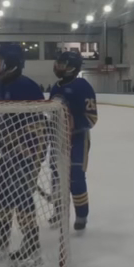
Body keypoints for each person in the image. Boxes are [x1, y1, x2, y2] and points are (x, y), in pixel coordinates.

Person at [0, 43, 46, 266]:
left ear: (12, 64)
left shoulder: (27, 87)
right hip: (10, 150)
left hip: (29, 150)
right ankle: (2, 235)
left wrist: (19, 144)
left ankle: (32, 243)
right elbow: (3, 120)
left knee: (20, 193)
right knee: (1, 188)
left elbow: (37, 126)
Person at [48, 50, 98, 231]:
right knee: (56, 175)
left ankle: (81, 214)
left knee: (76, 176)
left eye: (63, 63)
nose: (58, 66)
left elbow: (91, 118)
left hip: (78, 139)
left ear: (72, 67)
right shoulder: (56, 87)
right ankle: (59, 211)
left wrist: (71, 123)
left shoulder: (82, 86)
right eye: (58, 62)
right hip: (57, 138)